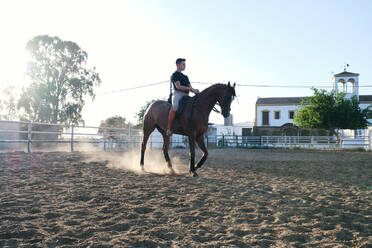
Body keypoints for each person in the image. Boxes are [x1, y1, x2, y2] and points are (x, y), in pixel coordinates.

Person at [167, 58, 199, 136]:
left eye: (185, 64)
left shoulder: (186, 77)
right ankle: (169, 128)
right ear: (178, 65)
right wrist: (190, 88)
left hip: (186, 95)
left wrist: (196, 91)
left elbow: (190, 88)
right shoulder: (175, 75)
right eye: (183, 64)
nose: (185, 66)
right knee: (175, 107)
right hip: (178, 94)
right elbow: (178, 86)